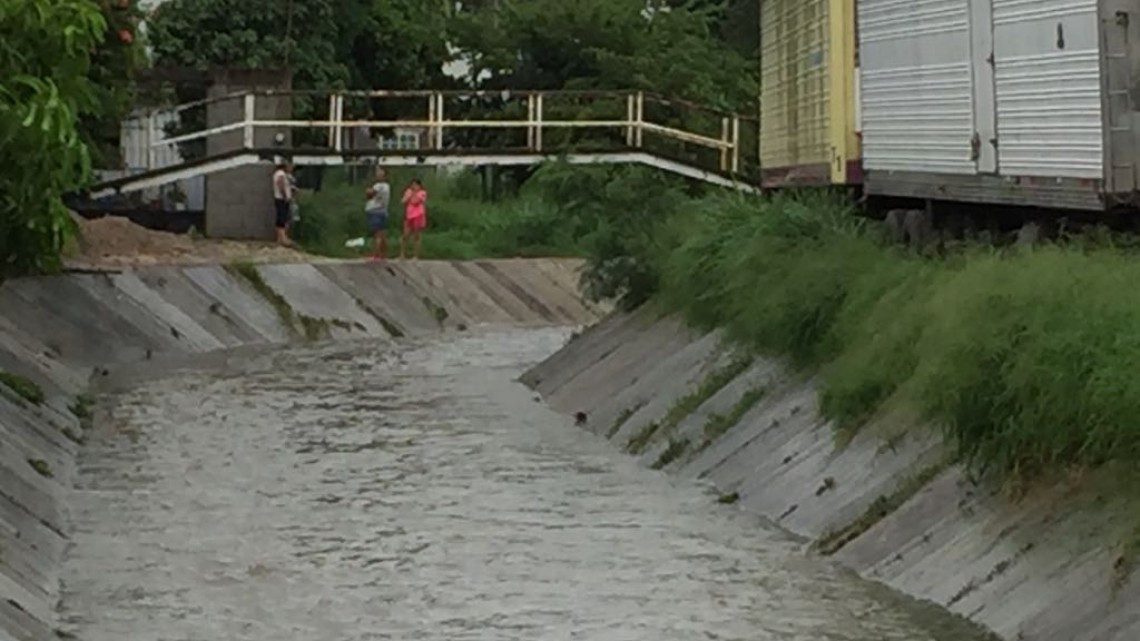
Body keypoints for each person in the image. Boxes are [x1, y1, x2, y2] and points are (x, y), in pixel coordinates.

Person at [364, 166, 391, 260]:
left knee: (377, 234)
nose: (377, 173)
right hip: (382, 211)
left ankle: (376, 254)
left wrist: (368, 191)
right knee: (382, 234)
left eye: (379, 171)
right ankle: (383, 254)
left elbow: (369, 193)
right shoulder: (387, 186)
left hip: (376, 211)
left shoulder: (379, 186)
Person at [400, 178, 427, 260]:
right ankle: (402, 254)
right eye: (412, 185)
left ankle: (416, 255)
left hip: (418, 215)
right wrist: (408, 195)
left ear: (419, 186)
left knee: (416, 236)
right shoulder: (408, 192)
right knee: (405, 235)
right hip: (409, 215)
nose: (414, 187)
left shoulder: (422, 193)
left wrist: (412, 195)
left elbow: (416, 201)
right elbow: (403, 201)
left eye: (416, 185)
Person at [272, 159, 295, 246]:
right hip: (281, 199)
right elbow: (280, 183)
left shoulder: (281, 174)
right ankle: (283, 239)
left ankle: (281, 238)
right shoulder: (280, 174)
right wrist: (285, 195)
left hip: (281, 198)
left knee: (282, 218)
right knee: (282, 218)